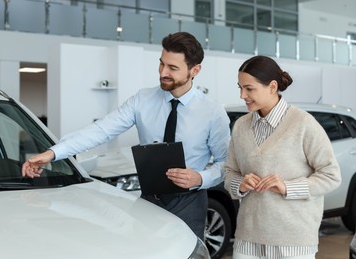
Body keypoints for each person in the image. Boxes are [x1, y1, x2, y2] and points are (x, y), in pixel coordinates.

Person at [22, 31, 231, 240]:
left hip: (189, 201)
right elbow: (101, 130)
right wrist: (53, 153)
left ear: (195, 70)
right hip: (150, 199)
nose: (163, 72)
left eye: (173, 68)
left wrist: (199, 178)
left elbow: (225, 164)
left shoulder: (212, 112)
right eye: (161, 64)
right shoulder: (142, 99)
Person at [224, 55, 341, 259]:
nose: (242, 95)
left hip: (293, 241)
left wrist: (288, 187)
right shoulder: (241, 126)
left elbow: (331, 176)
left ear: (272, 87)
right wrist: (240, 184)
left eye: (249, 88)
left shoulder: (304, 123)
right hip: (248, 238)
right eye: (240, 87)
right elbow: (229, 172)